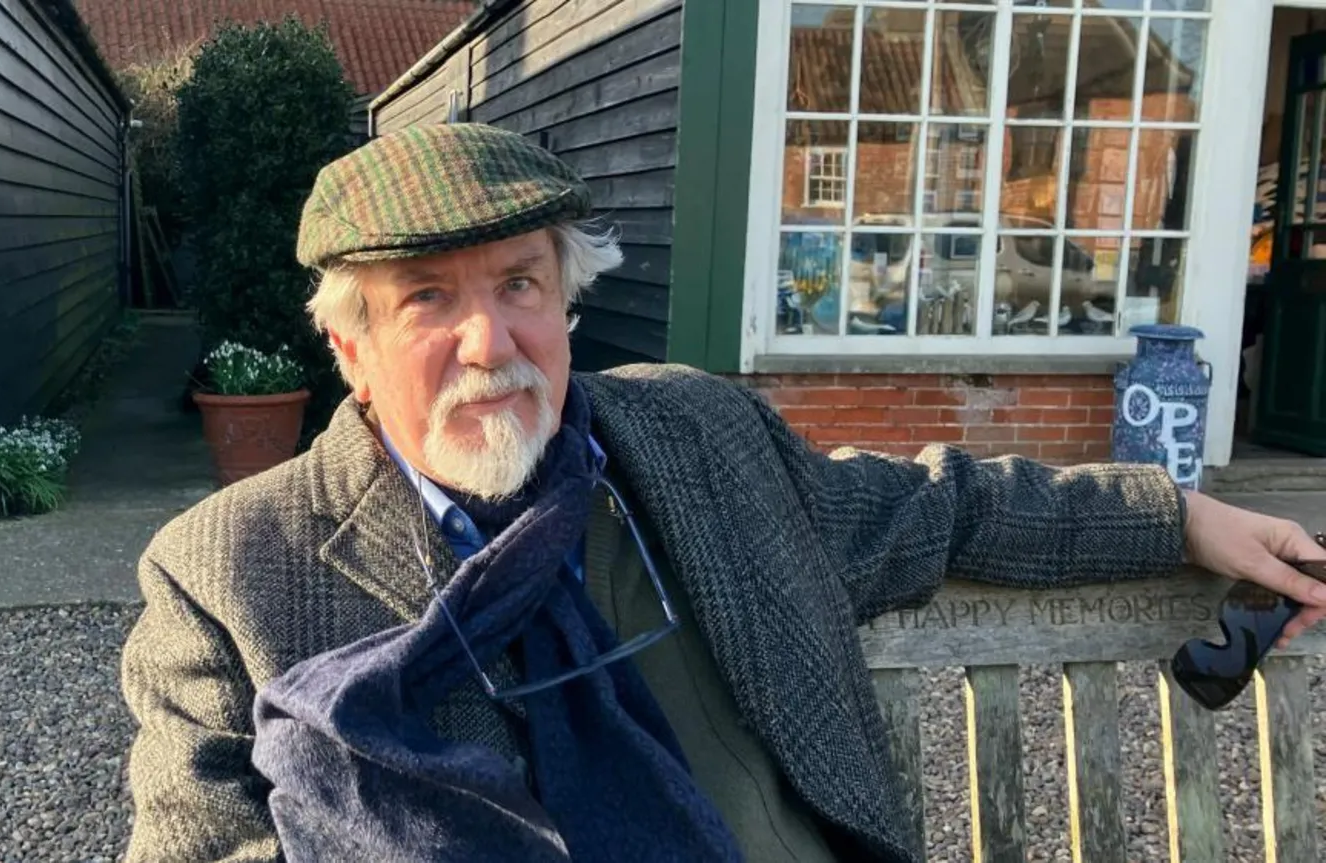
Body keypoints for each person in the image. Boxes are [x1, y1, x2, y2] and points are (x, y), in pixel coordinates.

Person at [119, 123, 1326, 863]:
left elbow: (935, 505)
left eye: (521, 284)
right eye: (428, 297)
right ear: (350, 344)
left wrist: (1183, 514)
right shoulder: (229, 572)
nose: (490, 340)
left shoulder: (695, 434)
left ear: (567, 301)